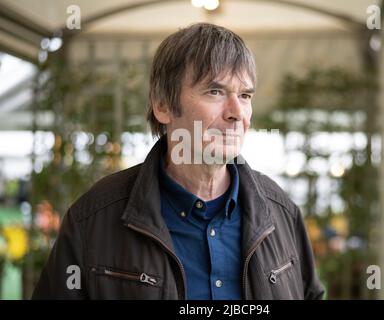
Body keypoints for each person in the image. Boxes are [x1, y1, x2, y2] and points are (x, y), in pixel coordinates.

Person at [32, 23, 324, 300]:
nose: (237, 112)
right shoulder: (92, 219)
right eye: (215, 91)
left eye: (245, 95)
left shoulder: (281, 212)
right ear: (162, 105)